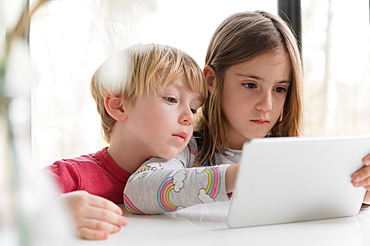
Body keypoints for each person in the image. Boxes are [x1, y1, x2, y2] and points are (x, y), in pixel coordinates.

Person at [123, 10, 370, 215]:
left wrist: (360, 192)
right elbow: (136, 192)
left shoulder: (297, 155)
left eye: (280, 89)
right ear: (211, 80)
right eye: (251, 85)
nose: (267, 105)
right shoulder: (188, 149)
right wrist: (241, 174)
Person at [44, 43, 207, 239]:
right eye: (171, 99)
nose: (189, 118)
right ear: (119, 106)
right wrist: (57, 211)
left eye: (194, 108)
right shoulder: (72, 174)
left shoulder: (185, 177)